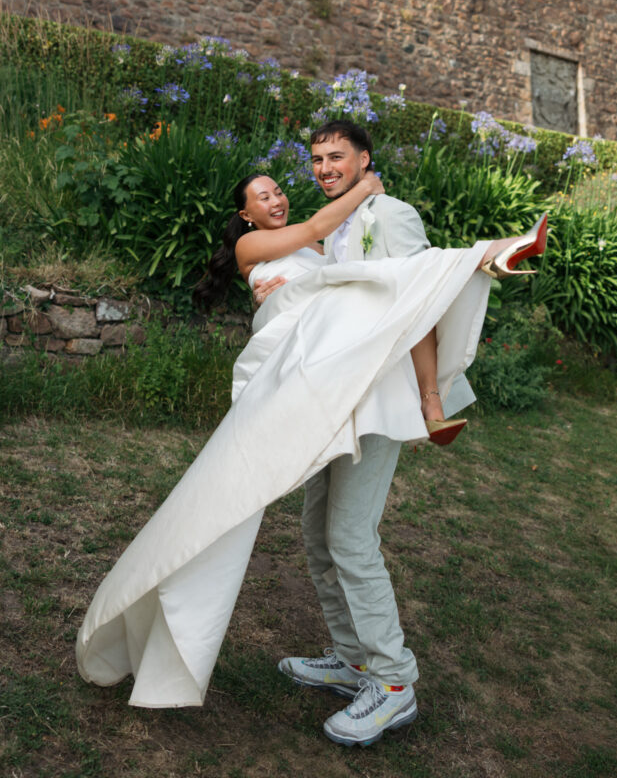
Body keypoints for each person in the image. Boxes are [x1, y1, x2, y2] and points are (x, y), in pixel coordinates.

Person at [75, 123, 546, 746]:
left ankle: (393, 682)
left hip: (367, 391)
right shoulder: (313, 234)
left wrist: (429, 396)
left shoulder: (384, 213)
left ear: (364, 160)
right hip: (313, 390)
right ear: (245, 215)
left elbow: (410, 300)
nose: (321, 169)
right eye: (316, 159)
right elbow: (329, 268)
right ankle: (352, 660)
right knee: (317, 533)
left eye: (336, 157)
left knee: (349, 537)